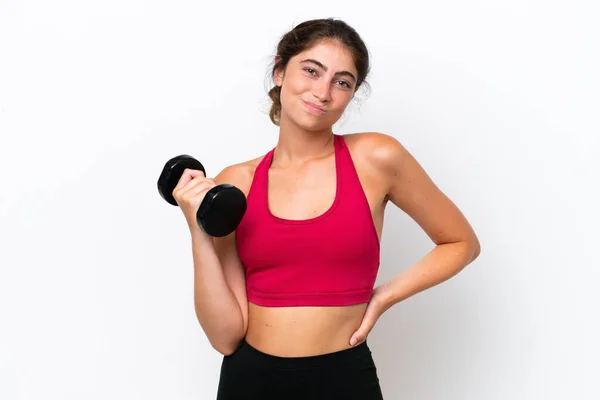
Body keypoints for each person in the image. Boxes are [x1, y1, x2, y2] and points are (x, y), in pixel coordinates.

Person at [172, 18, 481, 400]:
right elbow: (225, 336)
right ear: (280, 71)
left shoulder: (377, 158)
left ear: (352, 94)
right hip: (250, 381)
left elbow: (461, 242)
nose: (322, 91)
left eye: (342, 81)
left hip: (343, 378)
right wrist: (199, 232)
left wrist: (383, 296)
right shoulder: (237, 182)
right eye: (311, 71)